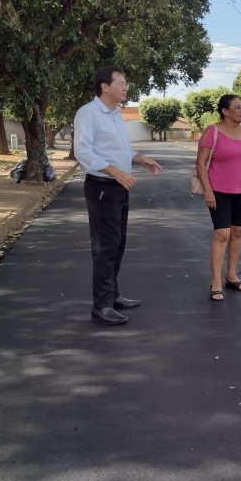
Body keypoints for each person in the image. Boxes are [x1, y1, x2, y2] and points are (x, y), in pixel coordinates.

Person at [74, 67, 163, 325]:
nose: (126, 88)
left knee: (118, 244)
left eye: (126, 83)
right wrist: (116, 172)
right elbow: (83, 152)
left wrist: (139, 158)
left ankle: (111, 296)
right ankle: (101, 307)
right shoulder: (88, 113)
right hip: (102, 187)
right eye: (121, 83)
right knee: (105, 248)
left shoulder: (115, 115)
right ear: (105, 86)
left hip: (118, 188)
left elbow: (119, 148)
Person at [195, 94, 241, 301]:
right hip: (219, 191)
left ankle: (231, 274)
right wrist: (208, 191)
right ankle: (215, 280)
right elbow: (200, 163)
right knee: (222, 234)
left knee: (237, 232)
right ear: (225, 111)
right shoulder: (212, 131)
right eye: (237, 108)